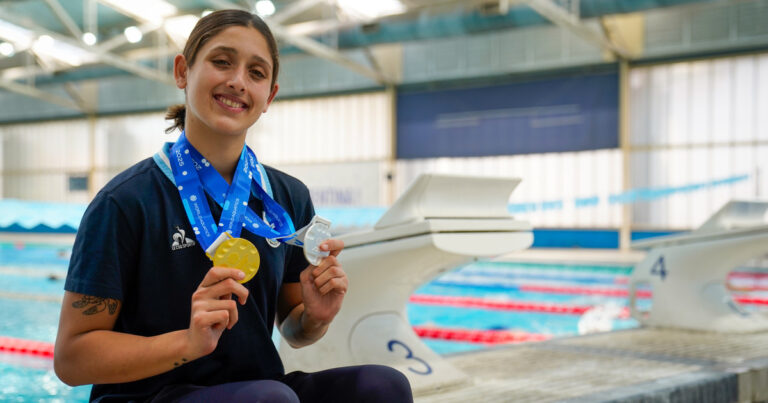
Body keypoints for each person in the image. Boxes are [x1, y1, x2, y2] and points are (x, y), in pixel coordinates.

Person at [54, 9, 413, 403]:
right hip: (148, 395)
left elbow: (293, 330)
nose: (238, 81)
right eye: (221, 62)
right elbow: (72, 360)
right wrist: (187, 343)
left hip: (259, 389)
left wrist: (314, 317)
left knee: (383, 387)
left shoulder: (287, 197)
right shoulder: (125, 202)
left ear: (269, 96)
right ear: (182, 72)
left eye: (256, 73)